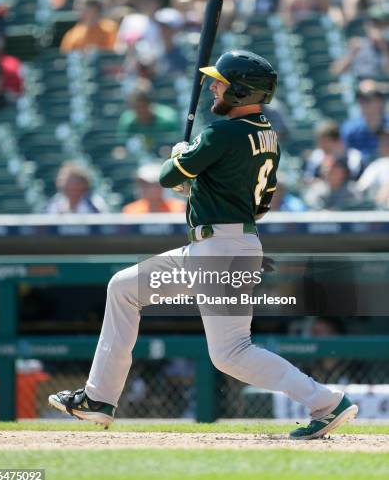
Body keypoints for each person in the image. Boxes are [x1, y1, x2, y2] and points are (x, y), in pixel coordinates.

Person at [49, 49, 357, 439]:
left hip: (219, 251)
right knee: (124, 288)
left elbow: (165, 176)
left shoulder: (222, 132)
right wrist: (196, 183)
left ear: (242, 92)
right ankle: (98, 399)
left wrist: (181, 156)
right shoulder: (267, 136)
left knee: (232, 354)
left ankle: (327, 402)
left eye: (222, 83)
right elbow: (255, 203)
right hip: (221, 245)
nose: (213, 86)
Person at [116, 78, 180, 152]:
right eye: (136, 106)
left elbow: (179, 147)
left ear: (150, 103)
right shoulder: (127, 120)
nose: (140, 110)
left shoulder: (169, 118)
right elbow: (120, 148)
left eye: (143, 105)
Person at [331, 7, 389, 79]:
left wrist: (385, 50)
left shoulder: (386, 48)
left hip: (380, 86)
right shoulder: (358, 44)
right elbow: (336, 71)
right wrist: (352, 53)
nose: (376, 28)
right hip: (358, 85)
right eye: (373, 24)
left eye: (380, 25)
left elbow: (386, 74)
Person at [341, 79, 389, 162]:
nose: (363, 103)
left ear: (380, 101)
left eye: (368, 99)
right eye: (360, 99)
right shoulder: (350, 130)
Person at [356, 129, 389, 205]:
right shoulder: (377, 165)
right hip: (378, 212)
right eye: (383, 140)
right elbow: (361, 188)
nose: (385, 144)